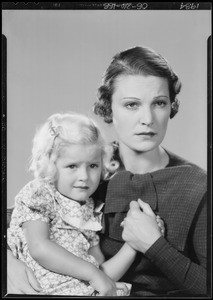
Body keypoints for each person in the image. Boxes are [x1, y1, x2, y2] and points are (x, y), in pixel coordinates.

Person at [7, 46, 207, 296]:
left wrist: (154, 245)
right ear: (108, 108)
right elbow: (21, 221)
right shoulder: (86, 168)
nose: (148, 118)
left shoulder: (196, 185)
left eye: (159, 103)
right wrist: (6, 263)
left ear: (171, 107)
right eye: (132, 104)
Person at [7, 112, 162, 296]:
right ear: (50, 165)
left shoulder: (90, 210)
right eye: (72, 166)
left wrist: (133, 245)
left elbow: (103, 273)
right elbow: (39, 247)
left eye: (93, 166)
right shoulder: (40, 193)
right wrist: (93, 274)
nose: (84, 177)